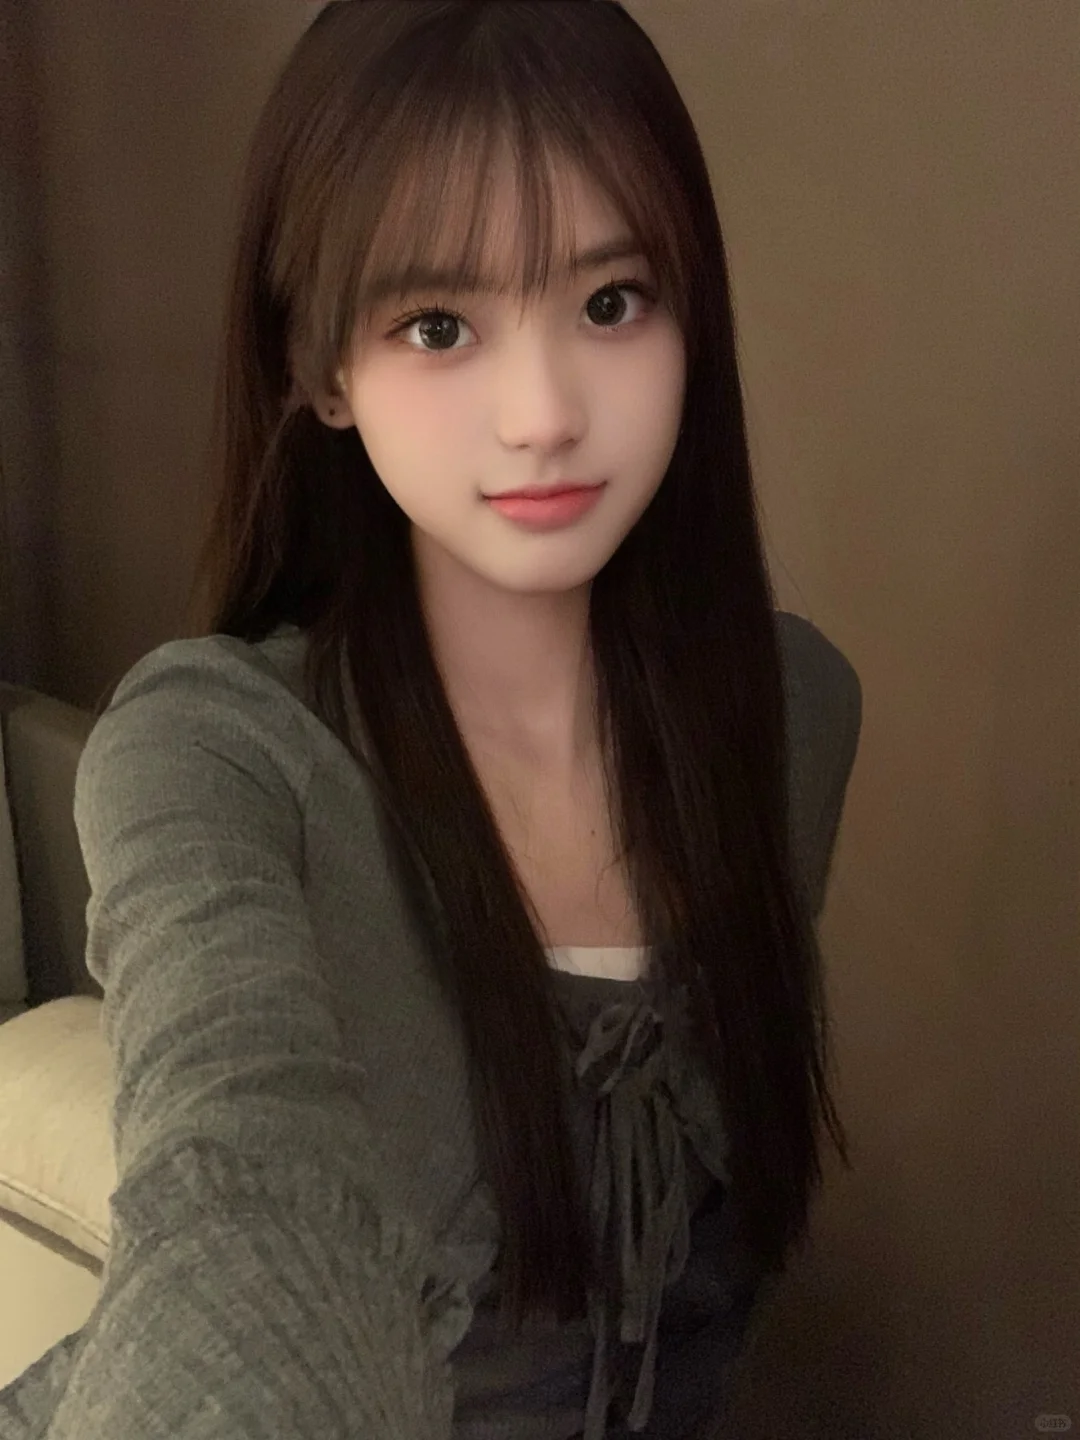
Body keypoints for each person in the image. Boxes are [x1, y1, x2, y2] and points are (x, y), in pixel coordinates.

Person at [0, 2, 863, 1437]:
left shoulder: (789, 714)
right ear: (321, 368)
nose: (542, 412)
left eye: (610, 302)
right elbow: (237, 1183)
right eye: (439, 325)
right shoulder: (213, 753)